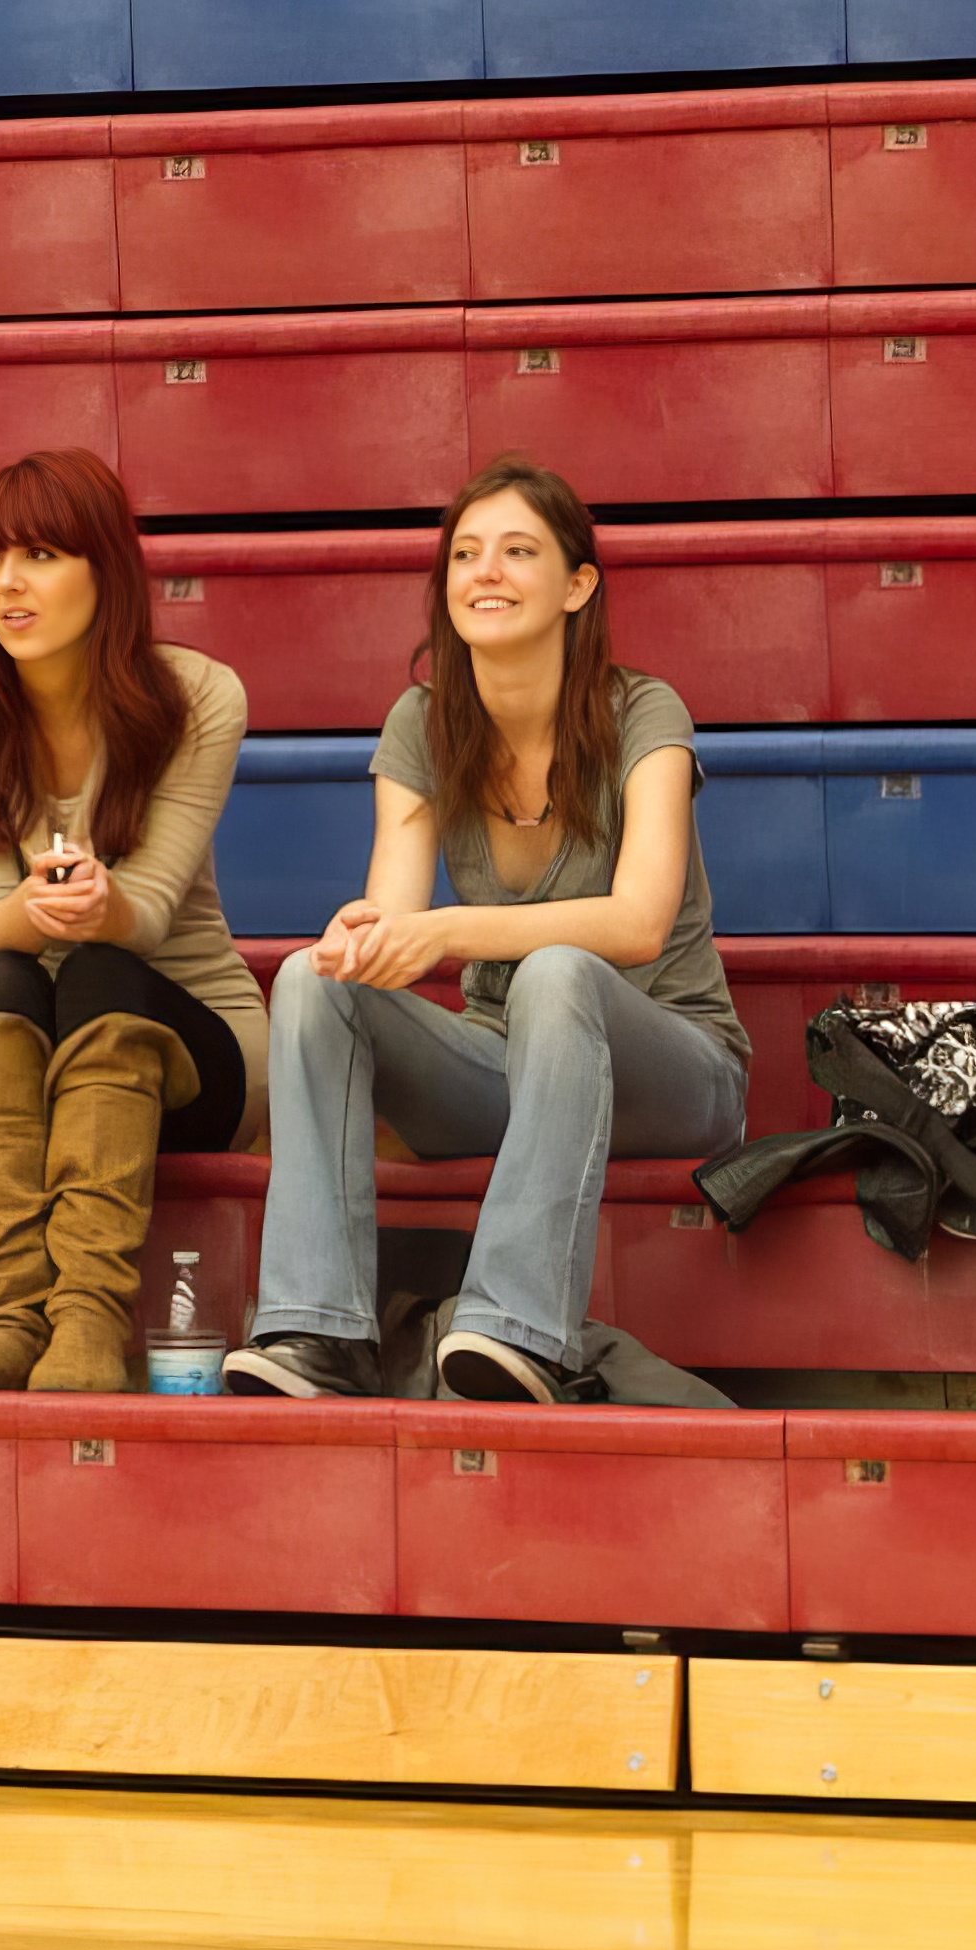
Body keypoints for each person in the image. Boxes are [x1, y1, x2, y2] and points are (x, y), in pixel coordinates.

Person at [229, 454, 748, 1406]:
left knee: (558, 972)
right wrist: (361, 936)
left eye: (518, 551)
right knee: (310, 979)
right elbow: (393, 915)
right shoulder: (423, 724)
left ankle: (515, 1328)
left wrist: (447, 930)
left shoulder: (644, 713)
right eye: (466, 554)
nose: (486, 573)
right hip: (503, 1067)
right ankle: (318, 1331)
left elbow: (636, 924)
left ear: (577, 585)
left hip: (671, 1071)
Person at [0, 448, 265, 1393]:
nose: (8, 584)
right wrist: (31, 906)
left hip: (195, 1046)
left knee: (96, 968)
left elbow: (145, 920)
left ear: (107, 568)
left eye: (42, 556)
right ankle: (13, 1322)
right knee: (1, 978)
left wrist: (100, 904)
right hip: (25, 1049)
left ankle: (92, 1323)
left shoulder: (200, 695)